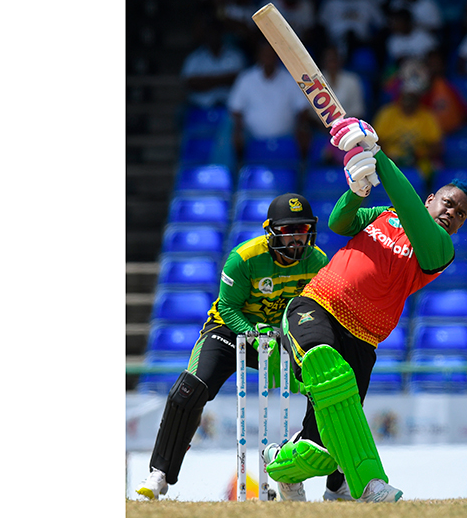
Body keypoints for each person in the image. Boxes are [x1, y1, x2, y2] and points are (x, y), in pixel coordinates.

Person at [261, 117, 467, 503]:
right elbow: (339, 222)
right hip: (318, 306)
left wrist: (378, 156)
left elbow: (409, 209)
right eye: (448, 203)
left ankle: (282, 465)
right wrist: (357, 191)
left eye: (461, 213)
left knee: (324, 441)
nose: (452, 213)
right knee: (326, 367)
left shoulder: (439, 250)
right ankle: (370, 485)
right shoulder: (383, 214)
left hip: (364, 338)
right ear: (431, 199)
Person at [135, 193, 330, 500]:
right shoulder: (245, 258)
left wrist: (282, 335)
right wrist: (252, 332)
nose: (296, 239)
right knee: (190, 389)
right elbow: (228, 308)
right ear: (272, 232)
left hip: (280, 337)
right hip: (229, 331)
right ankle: (160, 473)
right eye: (289, 231)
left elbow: (315, 310)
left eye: (302, 230)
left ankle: (296, 472)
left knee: (325, 386)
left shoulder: (317, 262)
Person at [227, 40, 313, 163]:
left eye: (272, 54)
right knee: (231, 133)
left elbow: (303, 108)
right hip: (252, 138)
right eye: (265, 54)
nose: (268, 58)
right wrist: (239, 129)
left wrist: (302, 126)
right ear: (258, 56)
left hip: (286, 138)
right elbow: (235, 109)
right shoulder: (246, 79)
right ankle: (240, 171)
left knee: (305, 133)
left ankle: (300, 174)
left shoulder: (289, 79)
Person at [372, 60, 444, 179]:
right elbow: (375, 142)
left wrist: (420, 155)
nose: (408, 102)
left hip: (418, 161)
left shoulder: (427, 116)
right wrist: (389, 157)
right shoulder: (387, 113)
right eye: (405, 97)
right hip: (390, 159)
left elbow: (437, 145)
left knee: (430, 170)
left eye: (412, 98)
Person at [180, 17, 247, 109]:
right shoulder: (194, 58)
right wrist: (223, 80)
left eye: (216, 32)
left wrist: (207, 81)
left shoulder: (235, 55)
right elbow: (190, 83)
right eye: (210, 32)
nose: (213, 35)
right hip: (200, 106)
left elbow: (239, 80)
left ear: (222, 33)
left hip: (228, 107)